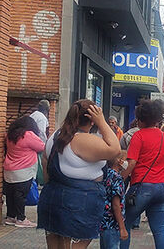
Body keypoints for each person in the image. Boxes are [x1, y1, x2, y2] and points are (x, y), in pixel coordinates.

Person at [38, 100, 121, 249]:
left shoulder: (55, 136)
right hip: (80, 202)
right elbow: (115, 149)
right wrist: (102, 122)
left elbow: (46, 167)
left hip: (52, 196)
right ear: (92, 120)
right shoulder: (83, 140)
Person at [120, 99, 164, 249]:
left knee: (125, 223)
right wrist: (162, 178)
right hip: (162, 188)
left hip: (142, 187)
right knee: (159, 229)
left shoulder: (138, 136)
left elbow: (131, 163)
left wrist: (120, 179)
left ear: (141, 119)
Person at [3, 116, 45, 227]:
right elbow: (42, 147)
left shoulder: (10, 135)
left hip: (9, 169)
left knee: (11, 194)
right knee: (20, 195)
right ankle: (21, 219)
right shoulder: (27, 135)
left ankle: (10, 217)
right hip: (23, 170)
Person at [100, 151, 129, 249]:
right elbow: (116, 205)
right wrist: (122, 227)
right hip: (113, 223)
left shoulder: (106, 174)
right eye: (126, 160)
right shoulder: (117, 178)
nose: (127, 162)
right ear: (119, 161)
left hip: (104, 221)